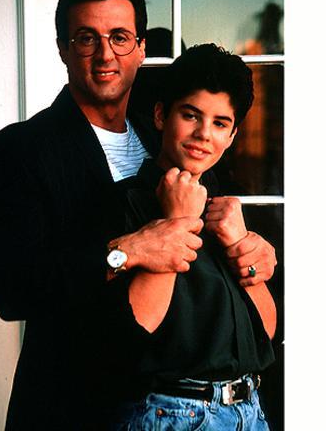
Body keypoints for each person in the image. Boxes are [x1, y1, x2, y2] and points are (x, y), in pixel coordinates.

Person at [0, 0, 277, 429]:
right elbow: (12, 292)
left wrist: (251, 252)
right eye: (87, 38)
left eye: (120, 37)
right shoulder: (20, 149)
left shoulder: (171, 137)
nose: (105, 55)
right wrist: (127, 252)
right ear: (63, 49)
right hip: (74, 404)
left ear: (141, 48)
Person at [104, 44, 276, 430]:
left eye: (220, 123)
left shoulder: (224, 210)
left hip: (248, 412)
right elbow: (134, 332)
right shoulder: (125, 203)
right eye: (190, 115)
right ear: (161, 115)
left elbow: (264, 332)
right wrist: (176, 221)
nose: (203, 134)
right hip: (172, 414)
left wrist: (239, 243)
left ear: (232, 135)